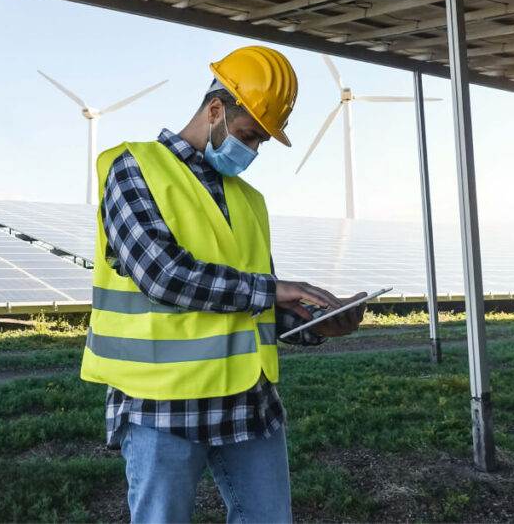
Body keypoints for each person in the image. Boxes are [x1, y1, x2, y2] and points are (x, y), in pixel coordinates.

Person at [80, 45, 367, 523]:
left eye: (261, 142)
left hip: (250, 405)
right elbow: (162, 275)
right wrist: (273, 291)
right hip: (161, 409)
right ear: (215, 109)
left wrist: (316, 324)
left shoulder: (250, 201)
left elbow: (255, 304)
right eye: (248, 135)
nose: (251, 151)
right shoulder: (133, 168)